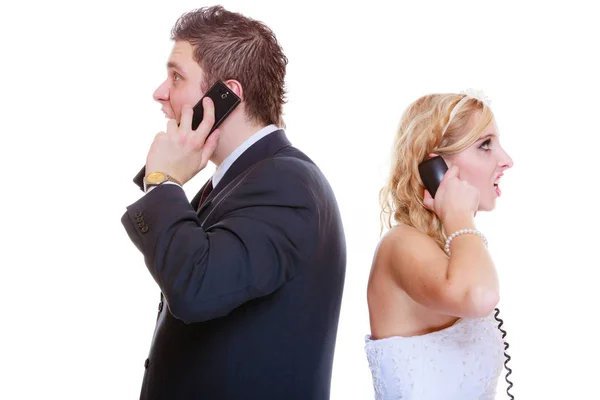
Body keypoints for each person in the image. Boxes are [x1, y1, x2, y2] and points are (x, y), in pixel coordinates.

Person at [120, 6, 346, 399]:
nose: (160, 92)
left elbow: (197, 288)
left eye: (177, 76)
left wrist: (162, 183)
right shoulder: (243, 181)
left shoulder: (285, 181)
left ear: (225, 96)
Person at [364, 90, 515, 399]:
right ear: (436, 168)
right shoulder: (401, 245)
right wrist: (458, 215)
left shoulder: (454, 251)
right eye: (485, 145)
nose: (506, 160)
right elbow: (480, 296)